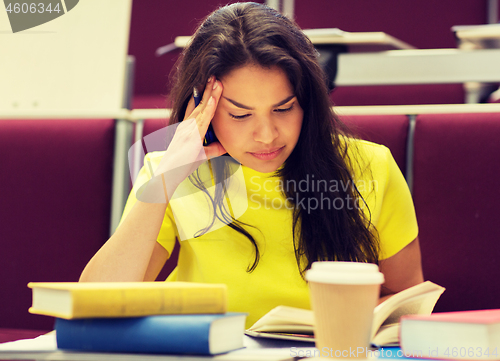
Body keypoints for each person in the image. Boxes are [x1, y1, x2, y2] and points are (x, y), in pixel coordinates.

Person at [80, 2, 423, 327]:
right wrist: (166, 179)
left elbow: (404, 300)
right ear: (203, 108)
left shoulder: (370, 167)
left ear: (308, 102)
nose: (266, 135)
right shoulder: (170, 173)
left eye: (284, 108)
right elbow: (95, 305)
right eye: (241, 114)